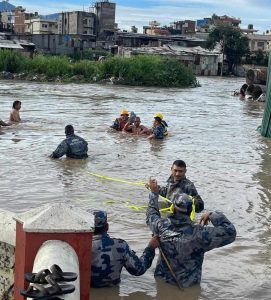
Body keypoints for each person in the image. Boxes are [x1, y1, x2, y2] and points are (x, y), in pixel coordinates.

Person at [146, 179, 237, 288]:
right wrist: (212, 215)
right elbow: (230, 232)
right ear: (191, 211)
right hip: (188, 284)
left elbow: (151, 214)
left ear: (173, 209)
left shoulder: (161, 226)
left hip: (164, 282)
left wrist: (154, 193)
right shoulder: (201, 234)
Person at [91, 210, 159, 288]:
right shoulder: (120, 245)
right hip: (113, 291)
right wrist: (150, 248)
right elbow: (139, 269)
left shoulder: (80, 247)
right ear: (107, 227)